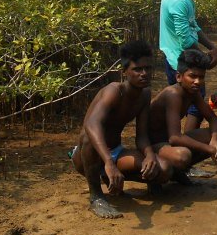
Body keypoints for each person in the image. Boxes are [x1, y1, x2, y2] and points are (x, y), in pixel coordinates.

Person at [71, 40, 170, 219]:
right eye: (137, 69)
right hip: (89, 154)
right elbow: (91, 125)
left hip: (116, 153)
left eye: (148, 68)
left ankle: (117, 178)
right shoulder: (114, 91)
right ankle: (96, 197)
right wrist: (108, 162)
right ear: (124, 72)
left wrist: (149, 155)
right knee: (88, 138)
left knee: (162, 169)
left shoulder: (145, 94)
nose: (144, 73)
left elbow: (141, 135)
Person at [159, 0, 217, 129]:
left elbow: (193, 26)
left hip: (179, 58)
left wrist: (211, 47)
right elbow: (185, 39)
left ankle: (178, 143)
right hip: (179, 61)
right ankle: (182, 144)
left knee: (185, 104)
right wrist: (204, 60)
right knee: (192, 107)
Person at [148, 48, 217, 176]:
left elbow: (213, 119)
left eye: (201, 77)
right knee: (182, 156)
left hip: (169, 141)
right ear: (179, 77)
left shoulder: (193, 92)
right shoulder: (173, 94)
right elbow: (175, 138)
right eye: (192, 76)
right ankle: (174, 171)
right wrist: (209, 149)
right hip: (154, 145)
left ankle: (179, 172)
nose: (197, 82)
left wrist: (214, 141)